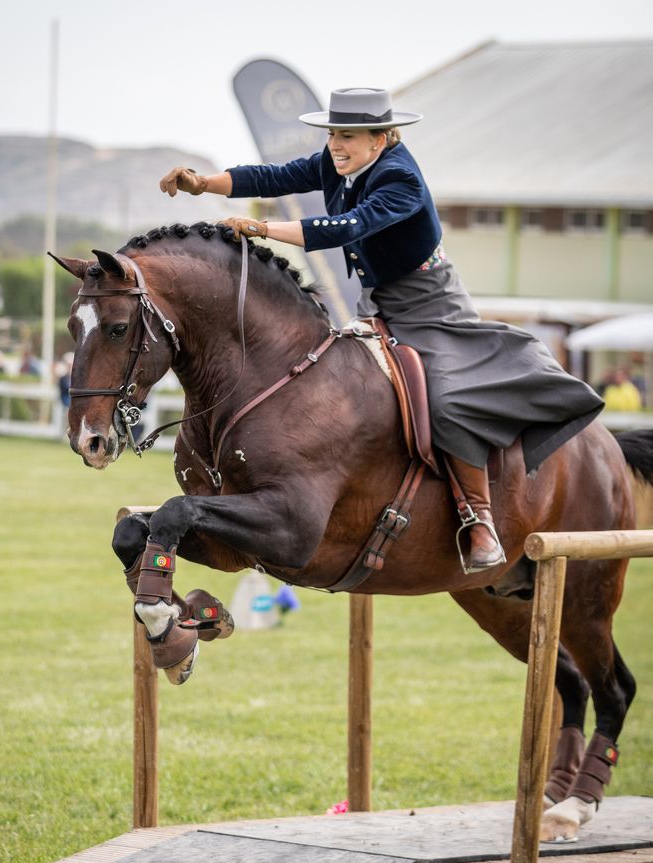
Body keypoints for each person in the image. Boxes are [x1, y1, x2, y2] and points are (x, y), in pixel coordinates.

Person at [159, 87, 604, 573]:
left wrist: (263, 231)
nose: (336, 146)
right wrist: (204, 183)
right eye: (332, 136)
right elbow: (275, 176)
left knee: (449, 400)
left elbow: (345, 227)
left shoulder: (401, 179)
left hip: (430, 304)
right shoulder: (341, 161)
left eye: (347, 136)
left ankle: (479, 521)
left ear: (383, 137)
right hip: (376, 302)